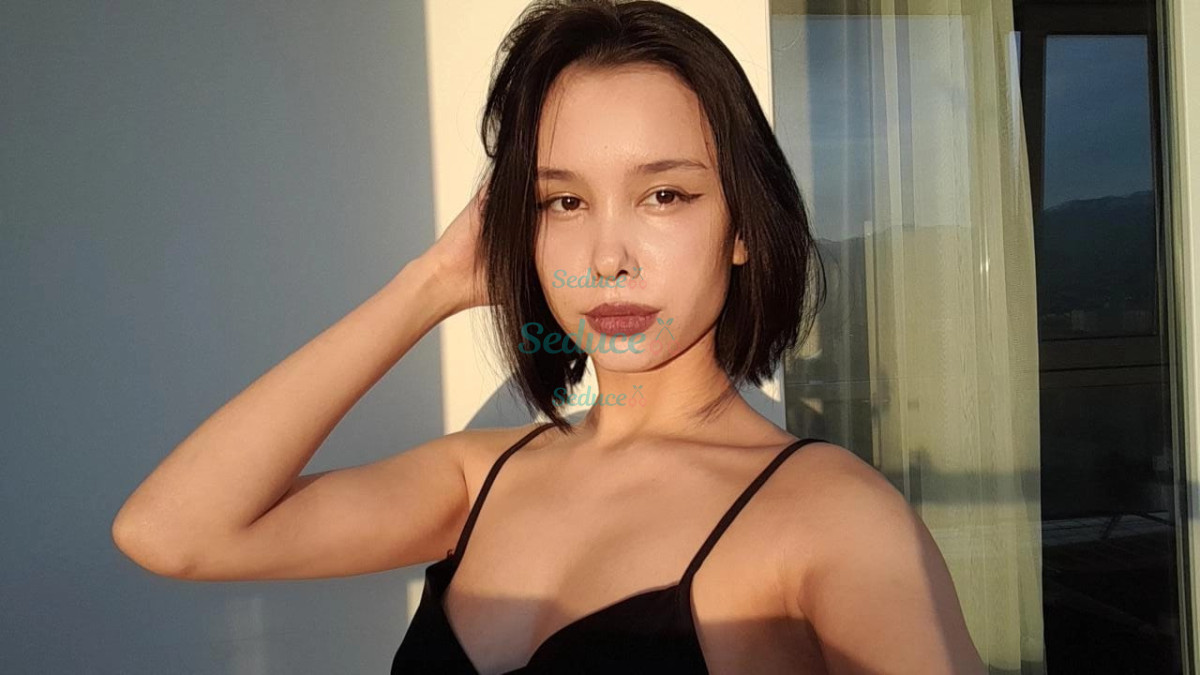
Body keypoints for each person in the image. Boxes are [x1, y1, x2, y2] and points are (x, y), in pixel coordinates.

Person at [112, 1, 987, 673]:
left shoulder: (831, 519)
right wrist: (430, 284)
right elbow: (173, 531)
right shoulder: (478, 478)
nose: (606, 256)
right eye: (563, 201)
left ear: (742, 226)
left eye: (664, 195)